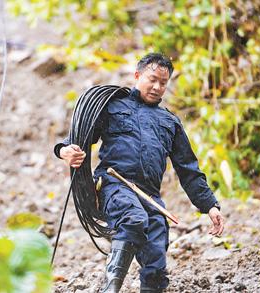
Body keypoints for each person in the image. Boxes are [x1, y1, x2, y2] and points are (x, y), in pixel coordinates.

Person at [54, 53, 224, 293]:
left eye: (163, 83)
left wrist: (210, 205)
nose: (157, 87)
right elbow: (77, 139)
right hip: (114, 184)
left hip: (150, 196)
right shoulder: (112, 106)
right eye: (152, 79)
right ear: (137, 76)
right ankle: (110, 289)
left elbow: (188, 168)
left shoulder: (170, 122)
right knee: (133, 218)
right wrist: (64, 151)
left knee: (156, 255)